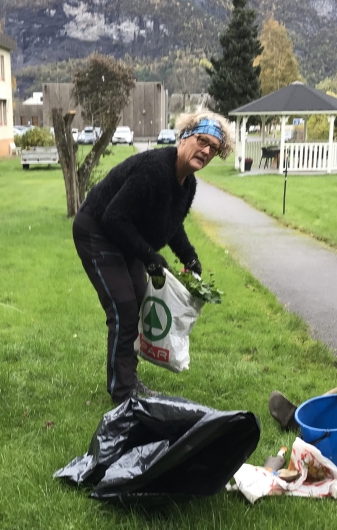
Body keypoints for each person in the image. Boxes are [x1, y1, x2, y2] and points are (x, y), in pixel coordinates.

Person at [72, 111, 235, 405]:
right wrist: (149, 256)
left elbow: (170, 225)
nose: (207, 151)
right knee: (123, 308)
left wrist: (189, 256)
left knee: (137, 302)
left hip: (126, 236)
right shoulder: (154, 170)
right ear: (184, 137)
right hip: (97, 230)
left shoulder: (188, 184)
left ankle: (127, 381)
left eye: (213, 148)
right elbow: (113, 217)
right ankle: (123, 395)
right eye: (202, 141)